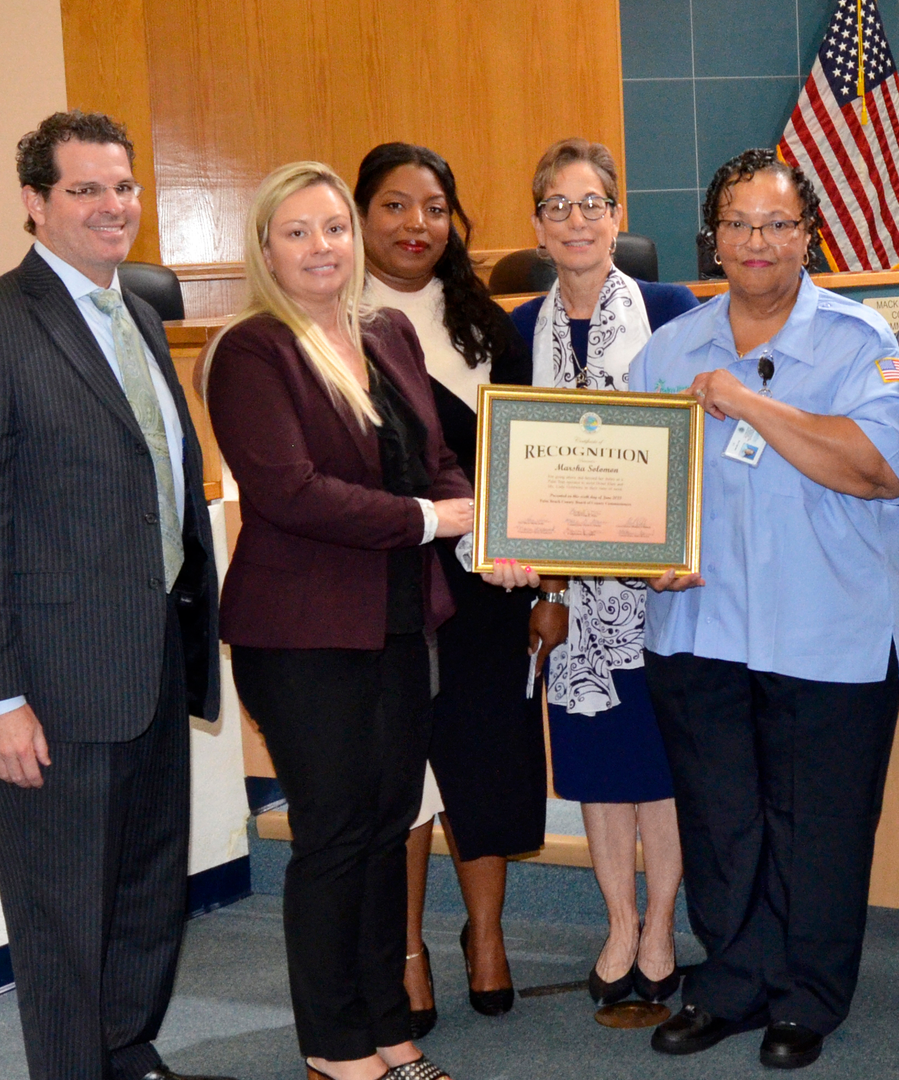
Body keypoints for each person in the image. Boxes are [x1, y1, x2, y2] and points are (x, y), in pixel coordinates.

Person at [0, 110, 229, 1080]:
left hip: (154, 661)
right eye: (85, 189)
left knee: (146, 888)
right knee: (61, 914)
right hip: (52, 686)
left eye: (122, 187)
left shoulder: (140, 315)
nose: (111, 206)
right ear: (34, 202)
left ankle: (125, 1049)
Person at [631, 148, 899, 1071]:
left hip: (826, 633)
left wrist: (751, 404)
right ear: (712, 239)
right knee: (722, 824)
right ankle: (730, 985)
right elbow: (634, 492)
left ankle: (807, 997)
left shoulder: (860, 340)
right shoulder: (668, 350)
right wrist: (643, 558)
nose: (757, 240)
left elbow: (879, 470)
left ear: (810, 236)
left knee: (818, 831)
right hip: (700, 630)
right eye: (738, 223)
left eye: (778, 224)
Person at [203, 160, 468, 1080]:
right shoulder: (251, 352)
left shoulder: (388, 331)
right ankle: (334, 1045)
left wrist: (482, 524)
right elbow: (292, 493)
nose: (322, 247)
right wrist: (433, 521)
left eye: (333, 228)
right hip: (302, 636)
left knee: (389, 828)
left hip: (400, 621)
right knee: (334, 836)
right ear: (266, 250)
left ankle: (388, 1029)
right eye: (298, 232)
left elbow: (434, 458)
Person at [504, 138, 698, 1008]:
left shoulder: (671, 308)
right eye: (558, 206)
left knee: (658, 764)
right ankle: (619, 922)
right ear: (537, 225)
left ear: (618, 217)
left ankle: (662, 924)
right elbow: (513, 465)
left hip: (657, 594)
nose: (575, 221)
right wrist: (537, 574)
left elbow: (694, 443)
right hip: (568, 600)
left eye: (592, 204)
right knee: (596, 763)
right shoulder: (517, 331)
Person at [353, 142, 542, 1020]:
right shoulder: (330, 323)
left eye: (433, 208)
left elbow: (530, 466)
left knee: (484, 759)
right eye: (394, 206)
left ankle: (487, 936)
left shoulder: (489, 327)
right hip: (383, 577)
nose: (415, 225)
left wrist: (547, 590)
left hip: (485, 582)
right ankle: (406, 949)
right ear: (360, 216)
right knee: (401, 773)